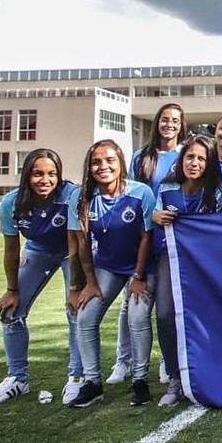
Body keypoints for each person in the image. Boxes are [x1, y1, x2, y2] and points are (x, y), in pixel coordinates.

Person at [0, 149, 82, 405]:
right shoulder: (12, 203)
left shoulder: (71, 195)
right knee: (9, 312)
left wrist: (75, 287)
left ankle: (76, 377)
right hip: (37, 251)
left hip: (69, 252)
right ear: (27, 175)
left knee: (76, 310)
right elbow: (11, 249)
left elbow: (76, 242)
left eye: (52, 174)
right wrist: (12, 289)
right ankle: (17, 378)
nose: (45, 180)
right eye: (38, 174)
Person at [66, 140, 155, 407]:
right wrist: (88, 283)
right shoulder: (81, 197)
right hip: (106, 267)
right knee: (85, 316)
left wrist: (138, 278)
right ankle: (93, 383)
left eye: (109, 161)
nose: (103, 166)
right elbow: (81, 244)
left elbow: (146, 238)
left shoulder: (141, 193)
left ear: (121, 164)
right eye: (96, 162)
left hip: (141, 267)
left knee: (138, 315)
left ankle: (140, 380)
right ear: (89, 167)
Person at [108, 103, 186, 386]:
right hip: (142, 232)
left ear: (182, 125)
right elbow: (130, 192)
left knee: (167, 303)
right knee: (131, 300)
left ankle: (167, 359)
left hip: (171, 238)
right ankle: (123, 360)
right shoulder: (142, 156)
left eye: (175, 120)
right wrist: (149, 215)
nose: (169, 124)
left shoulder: (185, 155)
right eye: (165, 119)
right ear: (157, 123)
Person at [149, 135, 222, 407]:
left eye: (201, 158)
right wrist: (155, 217)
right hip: (170, 259)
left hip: (205, 263)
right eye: (190, 157)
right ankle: (174, 376)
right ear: (181, 160)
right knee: (166, 313)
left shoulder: (218, 191)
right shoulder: (167, 187)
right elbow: (153, 216)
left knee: (208, 315)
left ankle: (210, 370)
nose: (195, 163)